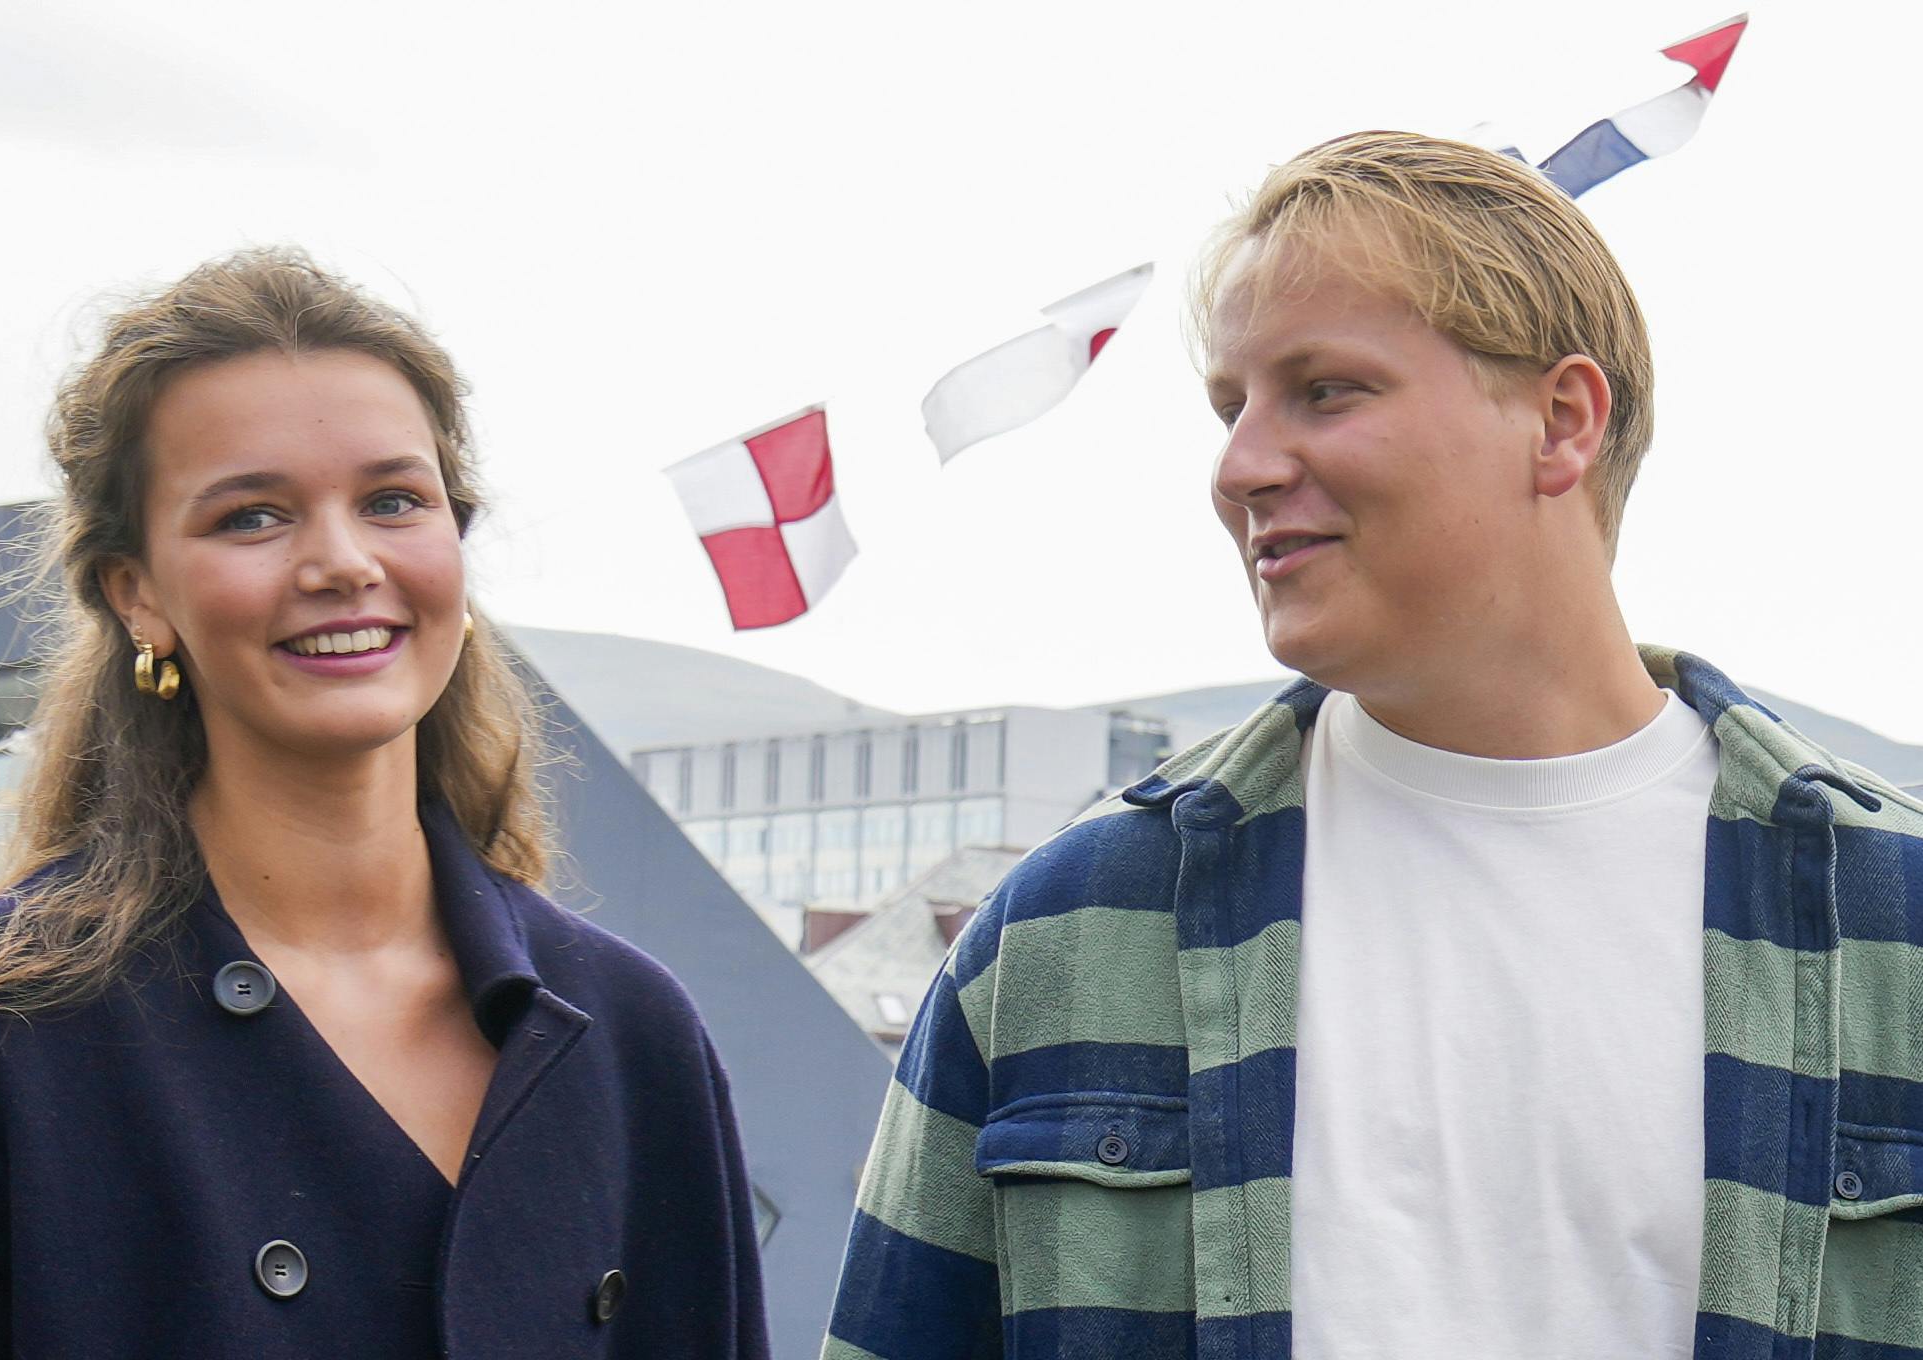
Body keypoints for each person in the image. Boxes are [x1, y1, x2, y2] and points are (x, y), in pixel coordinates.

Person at [824, 132, 1923, 1358]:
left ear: (1560, 421)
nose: (1239, 467)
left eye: (1324, 390)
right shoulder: (1066, 931)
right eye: (1232, 407)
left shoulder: (1899, 926)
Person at [0, 249, 769, 1358]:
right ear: (137, 592)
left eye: (395, 500)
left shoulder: (634, 1034)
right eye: (252, 517)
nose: (343, 561)